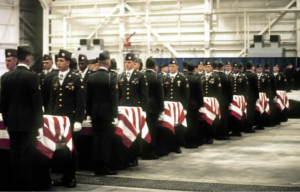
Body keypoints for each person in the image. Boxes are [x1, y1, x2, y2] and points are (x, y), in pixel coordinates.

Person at [1, 45, 44, 190]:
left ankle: (15, 183)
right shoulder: (32, 76)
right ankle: (26, 184)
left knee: (15, 153)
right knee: (26, 153)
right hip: (28, 122)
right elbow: (36, 102)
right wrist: (39, 124)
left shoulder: (6, 77)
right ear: (27, 58)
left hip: (12, 122)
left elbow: (3, 102)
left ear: (17, 58)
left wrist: (7, 121)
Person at [49, 49, 85, 188]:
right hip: (58, 120)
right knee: (60, 149)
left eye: (61, 61)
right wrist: (50, 116)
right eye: (57, 60)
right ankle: (63, 177)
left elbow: (80, 101)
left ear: (68, 63)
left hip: (70, 119)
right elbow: (52, 100)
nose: (58, 63)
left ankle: (71, 177)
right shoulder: (55, 78)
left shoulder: (76, 78)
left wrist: (78, 120)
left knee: (70, 149)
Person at [86, 51, 118, 175]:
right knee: (105, 140)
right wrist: (115, 115)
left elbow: (88, 98)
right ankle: (104, 166)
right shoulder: (111, 77)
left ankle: (96, 166)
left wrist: (89, 113)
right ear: (109, 63)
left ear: (98, 63)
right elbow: (113, 98)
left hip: (94, 112)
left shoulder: (91, 76)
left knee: (96, 139)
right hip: (107, 113)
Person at [118, 53, 148, 166]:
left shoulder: (140, 76)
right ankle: (125, 156)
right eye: (125, 62)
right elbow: (119, 94)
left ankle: (134, 156)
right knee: (125, 132)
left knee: (135, 132)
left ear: (134, 63)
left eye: (129, 62)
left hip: (135, 109)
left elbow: (144, 94)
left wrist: (144, 110)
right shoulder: (121, 76)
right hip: (124, 109)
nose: (127, 64)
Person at [163, 58, 189, 153]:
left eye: (173, 66)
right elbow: (164, 93)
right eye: (170, 66)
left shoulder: (182, 78)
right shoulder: (166, 78)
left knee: (178, 126)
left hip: (178, 107)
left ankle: (177, 145)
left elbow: (186, 94)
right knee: (169, 125)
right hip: (168, 106)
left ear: (177, 67)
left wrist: (185, 107)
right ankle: (170, 144)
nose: (171, 68)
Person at [143, 57, 164, 159]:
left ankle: (142, 151)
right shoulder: (156, 77)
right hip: (153, 107)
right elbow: (160, 95)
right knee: (152, 130)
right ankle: (150, 151)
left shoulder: (141, 76)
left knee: (143, 130)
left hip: (143, 106)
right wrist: (161, 109)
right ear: (154, 66)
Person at [199, 60, 221, 144]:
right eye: (206, 67)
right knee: (204, 119)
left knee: (211, 119)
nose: (207, 68)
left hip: (212, 101)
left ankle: (210, 136)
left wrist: (216, 102)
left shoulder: (216, 77)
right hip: (204, 101)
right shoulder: (202, 77)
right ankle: (204, 136)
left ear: (212, 67)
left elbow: (218, 91)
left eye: (208, 67)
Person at [184, 61, 204, 148]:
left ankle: (186, 141)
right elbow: (200, 93)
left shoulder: (183, 78)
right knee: (194, 125)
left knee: (187, 124)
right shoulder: (196, 79)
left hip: (185, 105)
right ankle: (192, 142)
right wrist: (201, 105)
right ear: (194, 69)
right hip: (194, 105)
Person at [228, 63, 248, 137]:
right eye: (234, 68)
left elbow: (246, 88)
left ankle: (238, 130)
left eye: (236, 68)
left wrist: (245, 99)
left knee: (238, 114)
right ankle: (232, 129)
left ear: (239, 69)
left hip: (239, 98)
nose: (235, 69)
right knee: (232, 114)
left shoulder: (243, 76)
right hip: (232, 97)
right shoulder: (230, 76)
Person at [215, 61, 232, 140]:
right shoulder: (226, 77)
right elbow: (230, 90)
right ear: (223, 68)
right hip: (224, 100)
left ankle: (216, 133)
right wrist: (230, 101)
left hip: (216, 100)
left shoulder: (214, 76)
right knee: (224, 118)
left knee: (217, 117)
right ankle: (223, 134)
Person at [254, 64, 270, 130]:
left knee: (262, 109)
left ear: (262, 69)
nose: (258, 70)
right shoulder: (255, 76)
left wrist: (267, 96)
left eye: (260, 69)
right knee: (257, 110)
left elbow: (268, 87)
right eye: (257, 69)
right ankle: (258, 124)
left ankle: (262, 124)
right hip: (257, 95)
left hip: (263, 95)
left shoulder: (265, 76)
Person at [244, 61, 259, 133]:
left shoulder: (243, 75)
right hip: (252, 96)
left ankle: (244, 126)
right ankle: (249, 127)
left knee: (245, 111)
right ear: (251, 67)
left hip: (244, 96)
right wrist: (257, 97)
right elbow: (256, 87)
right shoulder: (254, 75)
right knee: (251, 112)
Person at [264, 62, 277, 127]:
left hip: (263, 95)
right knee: (270, 108)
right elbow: (274, 86)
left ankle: (265, 122)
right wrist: (275, 95)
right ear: (269, 67)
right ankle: (270, 121)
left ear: (264, 68)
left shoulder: (263, 75)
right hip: (270, 94)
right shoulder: (271, 75)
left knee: (264, 108)